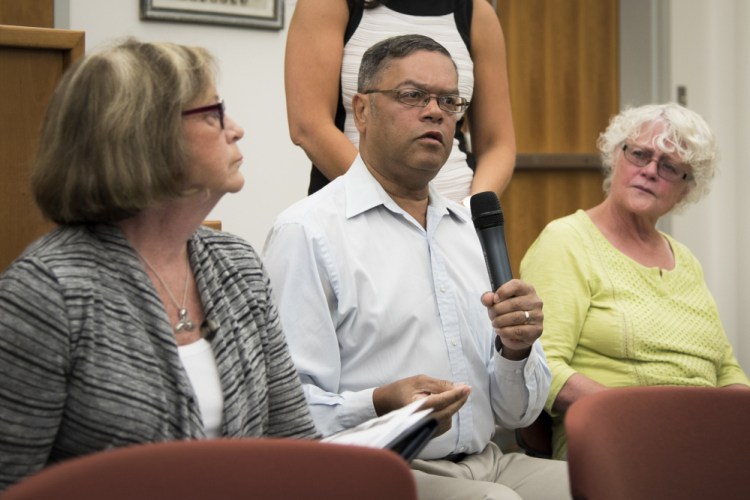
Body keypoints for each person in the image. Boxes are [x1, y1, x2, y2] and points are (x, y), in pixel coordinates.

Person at [0, 39, 319, 491]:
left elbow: (295, 445)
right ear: (142, 132)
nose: (237, 129)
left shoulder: (237, 265)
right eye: (214, 114)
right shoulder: (46, 292)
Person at [264, 34, 570, 500]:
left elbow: (518, 415)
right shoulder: (308, 232)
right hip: (376, 468)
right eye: (412, 96)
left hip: (489, 459)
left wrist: (516, 351)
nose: (435, 112)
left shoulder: (470, 230)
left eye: (449, 101)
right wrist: (379, 402)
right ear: (361, 111)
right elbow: (285, 411)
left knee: (619, 484)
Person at [519, 103, 750, 460]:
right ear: (616, 157)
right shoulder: (567, 241)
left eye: (670, 166)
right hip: (615, 442)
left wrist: (731, 422)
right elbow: (542, 367)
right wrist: (647, 421)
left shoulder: (685, 260)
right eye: (640, 154)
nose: (650, 171)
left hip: (705, 441)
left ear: (687, 189)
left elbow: (725, 367)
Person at [284, 0, 516, 204]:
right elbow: (309, 126)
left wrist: (471, 209)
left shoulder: (476, 12)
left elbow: (497, 144)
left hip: (454, 213)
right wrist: (395, 202)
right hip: (356, 209)